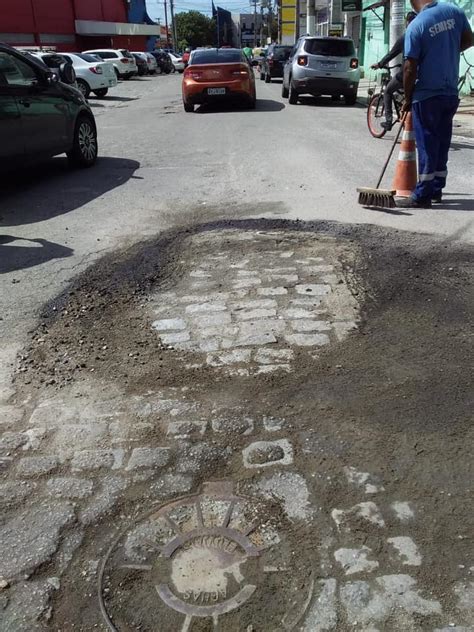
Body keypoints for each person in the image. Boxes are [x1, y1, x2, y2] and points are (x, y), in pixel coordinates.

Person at [396, 0, 473, 209]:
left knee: (427, 143)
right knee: (441, 142)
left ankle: (422, 195)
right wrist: (446, 51)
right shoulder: (455, 12)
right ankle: (437, 189)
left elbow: (409, 68)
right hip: (450, 93)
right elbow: (469, 40)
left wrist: (408, 97)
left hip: (427, 94)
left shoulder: (417, 25)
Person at [371, 12, 417, 130]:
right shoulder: (422, 36)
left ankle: (388, 120)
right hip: (422, 75)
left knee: (387, 91)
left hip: (406, 74)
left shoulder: (406, 37)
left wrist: (380, 64)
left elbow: (392, 54)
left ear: (407, 23)